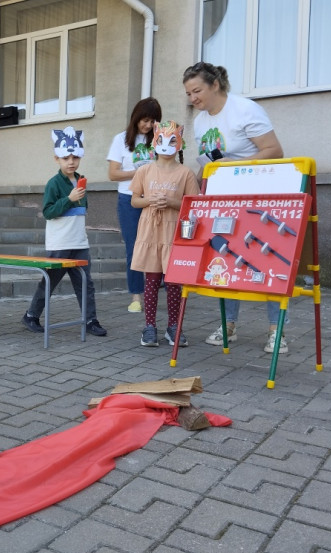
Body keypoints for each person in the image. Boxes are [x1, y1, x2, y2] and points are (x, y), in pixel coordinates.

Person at [182, 62, 287, 353]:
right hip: (224, 198)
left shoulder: (245, 109)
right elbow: (208, 160)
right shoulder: (201, 120)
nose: (193, 99)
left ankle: (275, 331)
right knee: (226, 258)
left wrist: (237, 164)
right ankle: (229, 325)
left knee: (269, 261)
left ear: (215, 85)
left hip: (259, 195)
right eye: (189, 93)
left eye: (197, 91)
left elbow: (275, 150)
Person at [21, 126, 106, 337]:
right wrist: (69, 199)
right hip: (60, 244)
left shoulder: (80, 180)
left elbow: (81, 210)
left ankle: (90, 320)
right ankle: (31, 315)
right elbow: (48, 212)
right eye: (66, 157)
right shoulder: (53, 183)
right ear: (56, 159)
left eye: (75, 156)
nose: (71, 161)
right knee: (49, 282)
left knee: (86, 284)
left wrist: (76, 201)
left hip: (79, 243)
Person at [130, 120, 199, 347]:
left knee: (174, 282)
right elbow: (134, 201)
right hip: (150, 230)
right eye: (161, 139)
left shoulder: (185, 173)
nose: (166, 145)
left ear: (179, 144)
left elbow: (192, 205)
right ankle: (149, 326)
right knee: (151, 280)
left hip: (173, 231)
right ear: (154, 142)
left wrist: (170, 201)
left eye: (172, 140)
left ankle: (173, 327)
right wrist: (150, 200)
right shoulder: (144, 170)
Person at [107, 97, 162, 314]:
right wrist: (139, 172)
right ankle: (136, 296)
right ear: (137, 117)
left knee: (156, 246)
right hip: (128, 199)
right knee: (134, 247)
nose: (147, 125)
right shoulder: (121, 139)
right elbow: (113, 174)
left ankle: (152, 293)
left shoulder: (158, 140)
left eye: (153, 121)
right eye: (145, 120)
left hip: (154, 200)